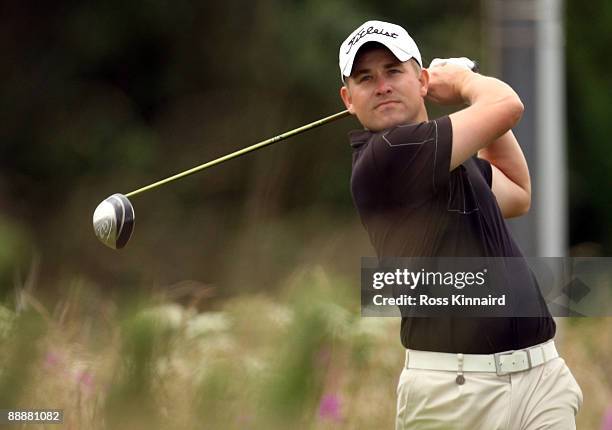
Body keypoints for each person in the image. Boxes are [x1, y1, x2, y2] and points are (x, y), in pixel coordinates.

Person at [338, 20, 583, 429]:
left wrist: (465, 103)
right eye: (366, 78)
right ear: (348, 99)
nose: (381, 85)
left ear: (421, 81)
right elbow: (508, 106)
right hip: (455, 393)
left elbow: (517, 191)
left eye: (394, 71)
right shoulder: (386, 158)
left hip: (540, 378)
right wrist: (465, 82)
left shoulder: (444, 156)